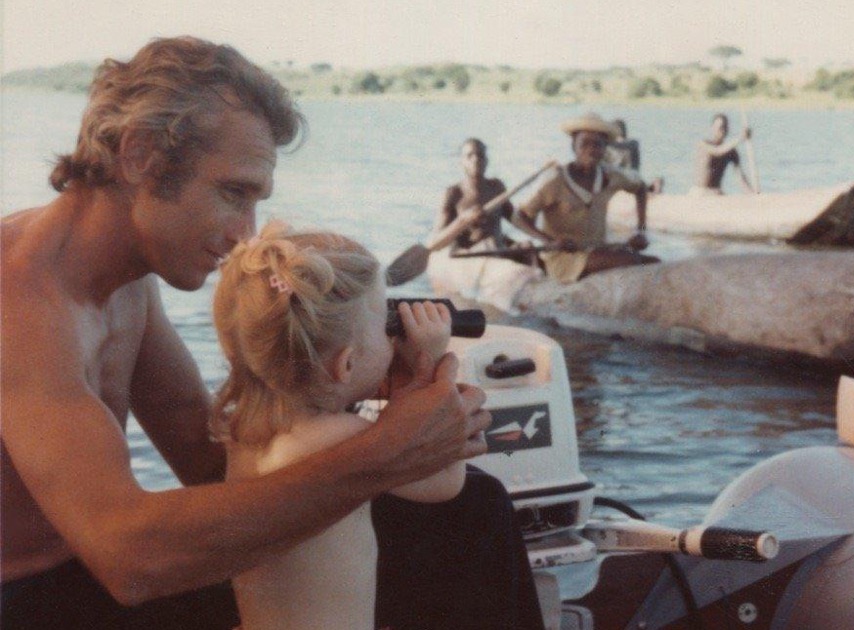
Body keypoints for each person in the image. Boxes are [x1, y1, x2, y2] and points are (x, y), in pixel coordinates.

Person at [0, 36, 543, 630]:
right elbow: (132, 561)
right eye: (234, 193)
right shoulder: (18, 301)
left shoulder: (128, 283)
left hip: (98, 581)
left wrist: (352, 390)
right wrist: (390, 450)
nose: (246, 233)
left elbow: (209, 462)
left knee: (472, 506)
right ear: (140, 156)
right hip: (34, 602)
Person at [212, 222, 466, 628]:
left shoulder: (245, 432)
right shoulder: (337, 438)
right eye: (385, 328)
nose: (393, 338)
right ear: (345, 364)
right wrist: (427, 366)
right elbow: (445, 478)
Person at [511, 112, 659, 283]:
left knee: (654, 263)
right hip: (562, 258)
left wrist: (640, 231)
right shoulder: (555, 180)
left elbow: (641, 188)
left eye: (597, 144)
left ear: (605, 148)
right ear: (573, 147)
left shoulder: (611, 176)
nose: (591, 150)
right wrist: (549, 241)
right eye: (584, 144)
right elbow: (519, 216)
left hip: (599, 251)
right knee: (630, 261)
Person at [426, 138, 542, 312]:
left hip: (498, 251)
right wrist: (463, 220)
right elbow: (435, 242)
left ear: (487, 160)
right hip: (474, 257)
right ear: (461, 162)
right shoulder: (454, 193)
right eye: (470, 155)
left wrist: (546, 239)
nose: (476, 159)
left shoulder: (497, 187)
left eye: (480, 155)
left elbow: (515, 219)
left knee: (529, 249)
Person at [692, 113, 755, 195]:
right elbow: (718, 151)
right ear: (712, 128)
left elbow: (740, 177)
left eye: (725, 127)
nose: (722, 131)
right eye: (720, 127)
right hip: (699, 192)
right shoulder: (703, 144)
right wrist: (740, 138)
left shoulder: (731, 152)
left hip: (716, 192)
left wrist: (753, 194)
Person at [605, 119, 663, 193]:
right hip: (634, 177)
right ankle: (653, 186)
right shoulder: (633, 143)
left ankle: (652, 187)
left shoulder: (613, 145)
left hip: (625, 179)